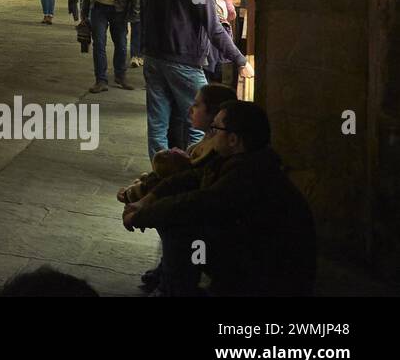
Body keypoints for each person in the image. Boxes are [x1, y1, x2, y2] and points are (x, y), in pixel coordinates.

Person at [124, 101, 316, 297]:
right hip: (253, 252)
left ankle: (175, 290)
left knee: (178, 224)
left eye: (215, 128)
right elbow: (191, 178)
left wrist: (141, 216)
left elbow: (199, 203)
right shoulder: (239, 157)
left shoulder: (250, 173)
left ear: (233, 139)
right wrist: (147, 199)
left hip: (270, 275)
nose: (211, 133)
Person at [140, 0, 248, 158]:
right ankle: (193, 169)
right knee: (201, 122)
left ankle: (160, 170)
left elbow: (143, 14)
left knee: (158, 122)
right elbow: (213, 27)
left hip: (154, 57)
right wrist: (240, 60)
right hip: (184, 60)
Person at [118, 83, 235, 294]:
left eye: (197, 105)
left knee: (180, 231)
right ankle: (170, 275)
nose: (191, 109)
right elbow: (184, 179)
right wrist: (144, 199)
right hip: (213, 232)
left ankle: (175, 286)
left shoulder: (233, 167)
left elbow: (192, 200)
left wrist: (143, 212)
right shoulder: (215, 150)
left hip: (227, 251)